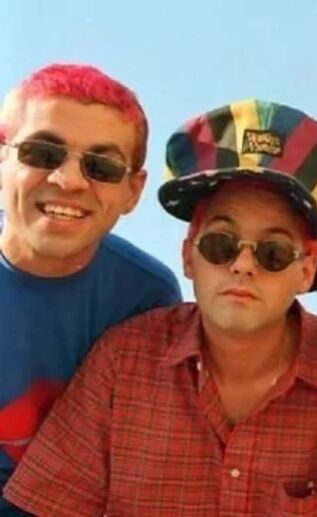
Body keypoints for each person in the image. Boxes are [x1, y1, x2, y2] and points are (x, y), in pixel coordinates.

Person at [4, 100, 317, 515]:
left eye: (272, 253)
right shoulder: (121, 362)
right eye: (221, 244)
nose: (243, 265)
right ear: (188, 255)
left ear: (306, 270)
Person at [0, 63, 180, 514]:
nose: (69, 180)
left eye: (102, 166)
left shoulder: (146, 298)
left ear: (133, 191)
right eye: (43, 153)